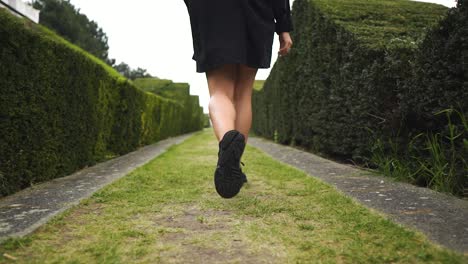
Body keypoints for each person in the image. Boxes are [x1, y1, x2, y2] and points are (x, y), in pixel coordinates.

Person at [183, 0, 293, 198]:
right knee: (243, 93)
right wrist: (283, 27)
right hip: (257, 8)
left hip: (210, 9)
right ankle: (234, 164)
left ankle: (227, 141)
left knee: (219, 92)